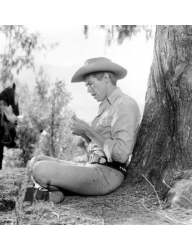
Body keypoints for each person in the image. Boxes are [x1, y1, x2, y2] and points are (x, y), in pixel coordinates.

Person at [25, 57, 141, 203]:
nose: (88, 90)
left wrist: (88, 130)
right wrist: (84, 135)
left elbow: (121, 154)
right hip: (94, 167)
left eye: (91, 84)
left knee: (40, 169)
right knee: (36, 160)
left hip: (107, 174)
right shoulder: (106, 105)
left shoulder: (124, 104)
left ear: (106, 78)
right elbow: (97, 150)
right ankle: (55, 194)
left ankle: (47, 192)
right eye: (87, 85)